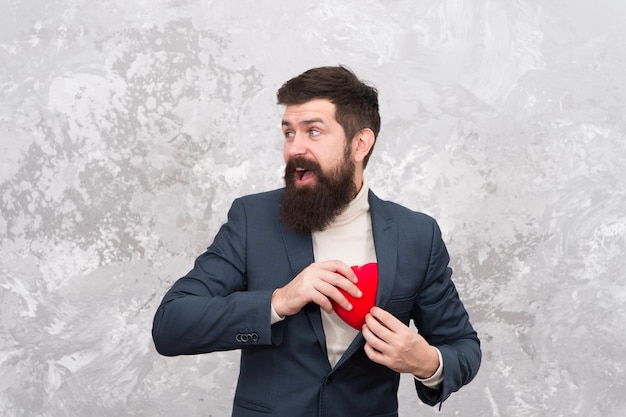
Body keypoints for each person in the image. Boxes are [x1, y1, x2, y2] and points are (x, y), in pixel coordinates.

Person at [152, 65, 481, 416]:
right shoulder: (252, 219)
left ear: (359, 144)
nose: (295, 148)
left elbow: (463, 346)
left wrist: (427, 362)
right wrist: (279, 301)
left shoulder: (416, 234)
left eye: (313, 132)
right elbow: (171, 325)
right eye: (289, 133)